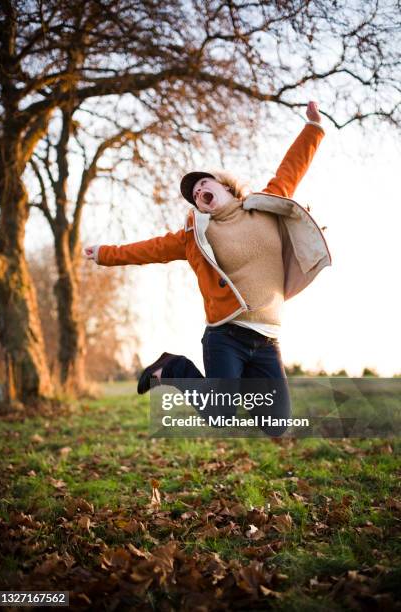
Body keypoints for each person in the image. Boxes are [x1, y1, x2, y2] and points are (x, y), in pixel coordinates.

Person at [84, 101, 330, 433]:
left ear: (225, 186)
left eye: (203, 183)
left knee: (276, 425)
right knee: (221, 415)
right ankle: (172, 368)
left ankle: (235, 386)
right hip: (226, 335)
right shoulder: (195, 236)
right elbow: (150, 249)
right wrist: (104, 253)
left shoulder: (266, 206)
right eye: (195, 193)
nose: (199, 191)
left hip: (268, 339)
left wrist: (313, 128)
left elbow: (291, 168)